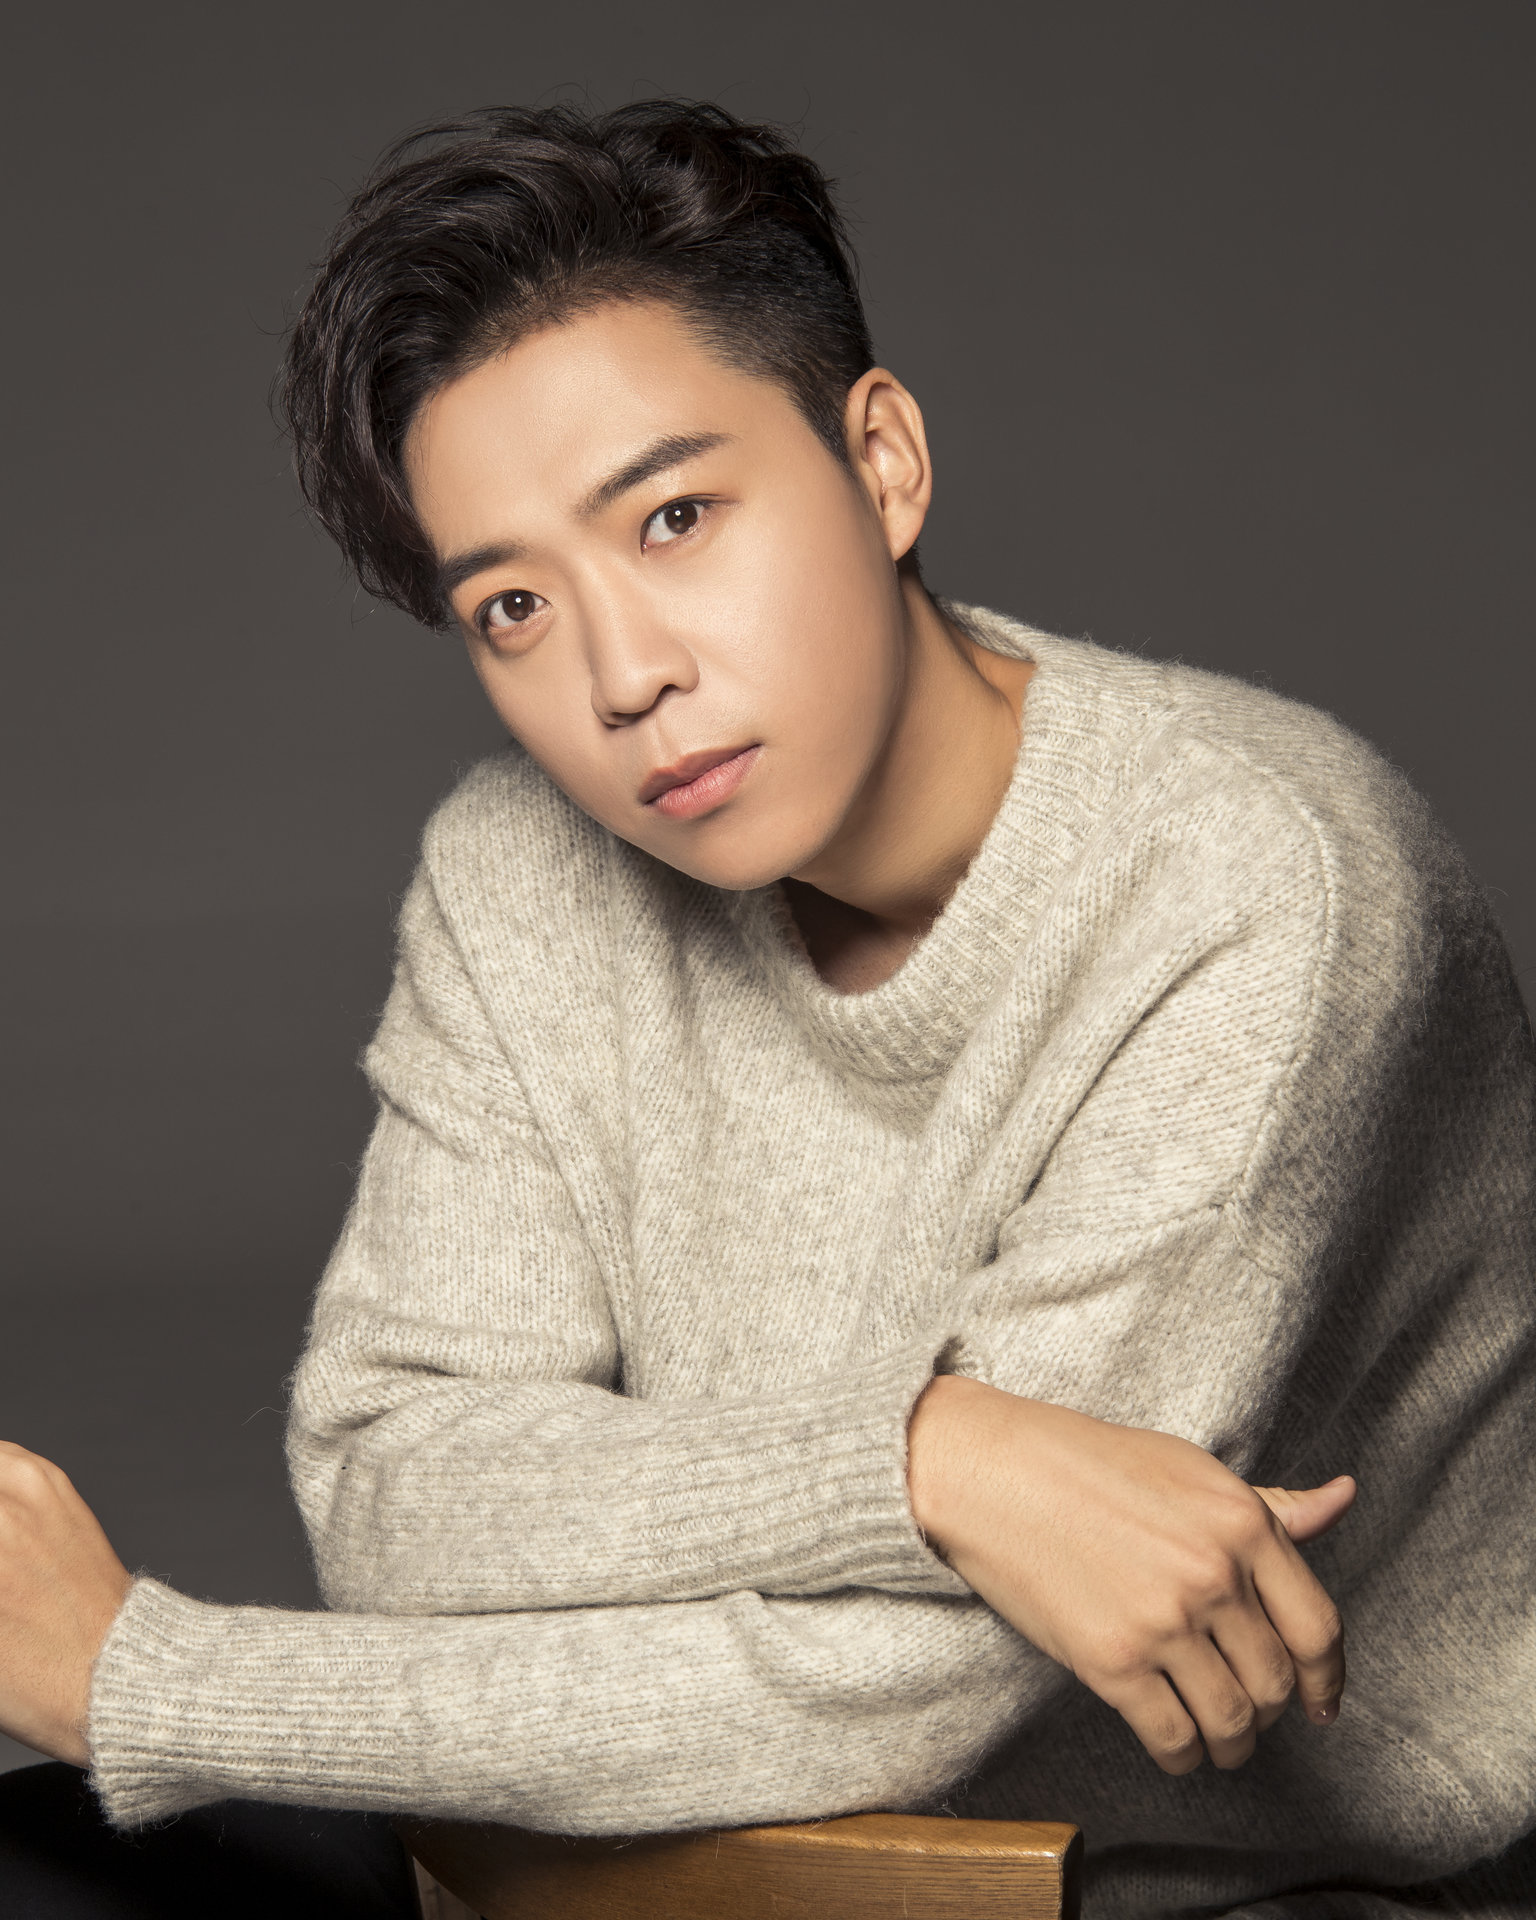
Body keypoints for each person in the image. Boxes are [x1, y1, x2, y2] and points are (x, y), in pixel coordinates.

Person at [0, 100, 1531, 1920]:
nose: (623, 675)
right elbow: (396, 1496)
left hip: (1212, 1886)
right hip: (620, 1846)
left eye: (675, 517)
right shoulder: (523, 867)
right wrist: (932, 1461)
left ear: (882, 463)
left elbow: (913, 1689)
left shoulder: (1257, 895)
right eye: (512, 605)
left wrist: (142, 1689)